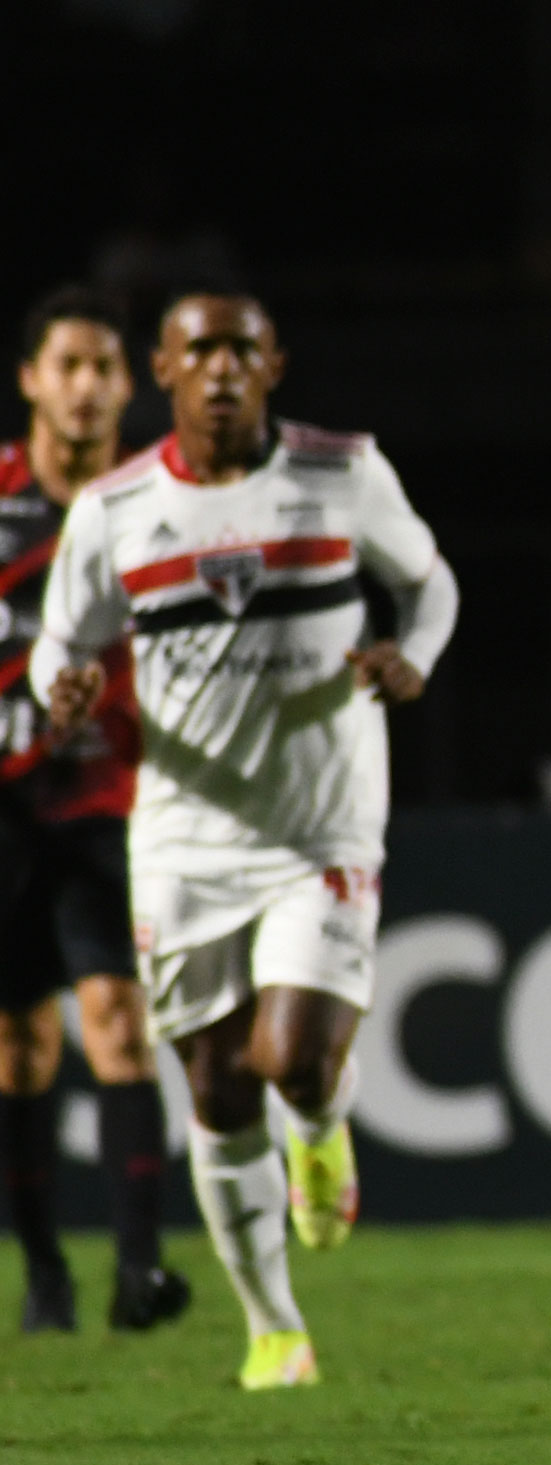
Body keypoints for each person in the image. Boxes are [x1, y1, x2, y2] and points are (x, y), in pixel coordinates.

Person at [33, 289, 461, 1389]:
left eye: (241, 350)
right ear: (163, 373)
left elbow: (429, 581)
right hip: (181, 837)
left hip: (320, 816)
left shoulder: (340, 471)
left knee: (296, 1057)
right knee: (219, 1092)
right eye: (198, 350)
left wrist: (413, 651)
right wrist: (63, 685)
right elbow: (60, 645)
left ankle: (320, 1123)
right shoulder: (116, 506)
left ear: (274, 365)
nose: (220, 368)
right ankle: (275, 1327)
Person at [1, 286, 188, 1334]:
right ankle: (43, 1273)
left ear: (129, 384)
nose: (84, 386)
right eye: (65, 364)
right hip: (5, 810)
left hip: (109, 802)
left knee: (119, 1025)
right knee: (19, 1049)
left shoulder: (156, 500)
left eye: (103, 368)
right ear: (31, 380)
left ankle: (136, 1273)